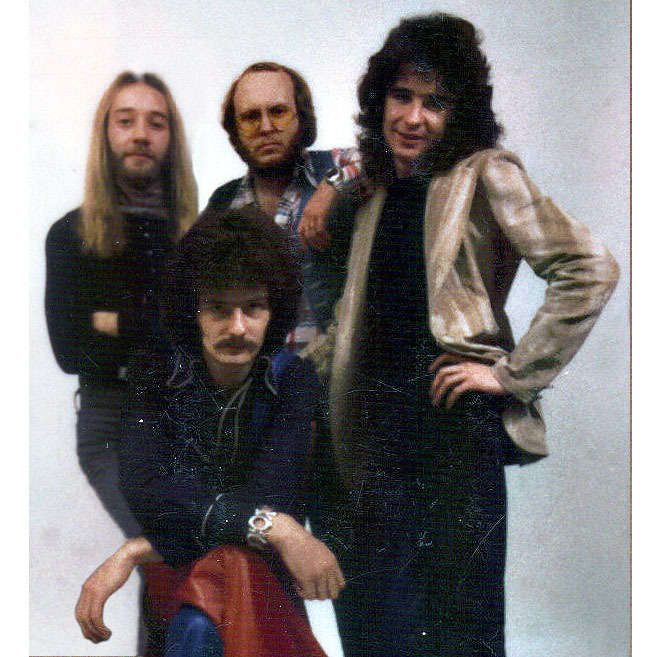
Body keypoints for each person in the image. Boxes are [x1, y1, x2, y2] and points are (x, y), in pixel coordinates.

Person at [305, 13, 619, 657]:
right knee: (377, 628)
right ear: (379, 100)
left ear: (461, 112)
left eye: (435, 102)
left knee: (461, 631)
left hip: (451, 432)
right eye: (401, 96)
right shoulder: (375, 191)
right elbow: (358, 315)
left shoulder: (484, 172)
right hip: (372, 437)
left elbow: (589, 268)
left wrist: (510, 375)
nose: (413, 118)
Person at [74, 207, 345, 657]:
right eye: (218, 308)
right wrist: (275, 527)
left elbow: (271, 495)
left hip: (254, 580)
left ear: (273, 312)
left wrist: (135, 550)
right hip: (182, 572)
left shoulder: (293, 381)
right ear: (192, 312)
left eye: (253, 307)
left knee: (212, 600)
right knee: (207, 600)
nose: (237, 327)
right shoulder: (155, 373)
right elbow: (147, 490)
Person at [45, 71, 197, 654]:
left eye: (156, 123)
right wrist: (156, 323)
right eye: (125, 120)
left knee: (174, 563)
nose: (140, 134)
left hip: (185, 422)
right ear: (105, 134)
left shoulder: (195, 235)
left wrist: (112, 319)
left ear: (171, 138)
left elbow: (198, 337)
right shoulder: (71, 234)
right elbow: (69, 350)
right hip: (111, 424)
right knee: (170, 550)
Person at [206, 61, 361, 348]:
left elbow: (379, 156)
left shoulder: (331, 167)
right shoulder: (224, 202)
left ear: (301, 117)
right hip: (257, 371)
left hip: (328, 368)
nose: (266, 127)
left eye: (278, 112)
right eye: (251, 117)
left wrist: (330, 187)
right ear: (235, 129)